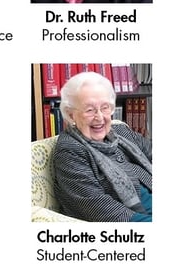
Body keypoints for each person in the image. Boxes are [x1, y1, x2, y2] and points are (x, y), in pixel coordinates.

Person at [53, 72, 152, 221]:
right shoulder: (69, 151)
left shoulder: (120, 132)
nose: (99, 117)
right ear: (71, 114)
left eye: (105, 108)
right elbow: (102, 210)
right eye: (90, 110)